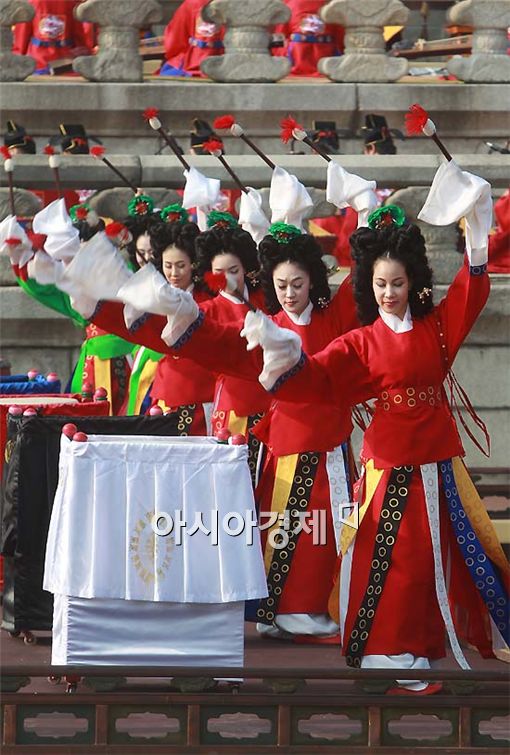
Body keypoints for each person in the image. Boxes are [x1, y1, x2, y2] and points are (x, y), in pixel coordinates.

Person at [243, 170, 509, 691]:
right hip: (389, 465)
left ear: (413, 283)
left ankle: (418, 643)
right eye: (380, 284)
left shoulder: (436, 329)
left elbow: (470, 293)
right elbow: (317, 376)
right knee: (391, 556)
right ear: (369, 285)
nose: (388, 293)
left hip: (439, 462)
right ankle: (383, 648)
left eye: (397, 283)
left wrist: (478, 230)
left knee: (438, 555)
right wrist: (282, 357)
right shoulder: (360, 343)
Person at [12, 0, 94, 74]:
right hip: (65, 64)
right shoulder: (73, 4)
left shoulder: (30, 4)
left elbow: (20, 41)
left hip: (37, 64)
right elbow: (80, 40)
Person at [273, 0, 344, 77]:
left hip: (295, 59)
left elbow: (278, 37)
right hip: (326, 61)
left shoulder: (288, 5)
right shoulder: (333, 6)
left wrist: (280, 55)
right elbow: (341, 37)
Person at [158, 0, 224, 77]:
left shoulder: (191, 3)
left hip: (193, 63)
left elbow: (174, 41)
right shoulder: (234, 3)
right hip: (228, 64)